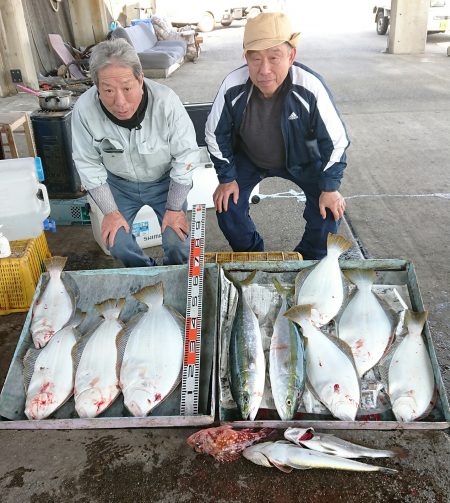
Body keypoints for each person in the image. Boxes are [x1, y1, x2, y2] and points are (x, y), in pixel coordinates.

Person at [205, 12, 350, 260]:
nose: (264, 70)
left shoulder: (311, 86)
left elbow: (336, 141)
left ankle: (306, 260)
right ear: (245, 58)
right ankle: (253, 256)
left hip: (303, 158)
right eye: (256, 59)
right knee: (226, 205)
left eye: (274, 58)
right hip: (250, 158)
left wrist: (330, 187)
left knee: (328, 210)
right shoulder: (233, 85)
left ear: (291, 56)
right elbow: (214, 133)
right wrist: (227, 178)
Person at [72, 38, 200, 267]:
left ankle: (175, 275)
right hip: (119, 184)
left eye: (127, 88)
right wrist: (110, 211)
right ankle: (147, 276)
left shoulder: (166, 102)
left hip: (165, 182)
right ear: (96, 86)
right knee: (117, 244)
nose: (119, 102)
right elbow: (87, 162)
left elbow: (186, 155)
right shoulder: (83, 109)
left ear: (140, 80)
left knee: (177, 241)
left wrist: (174, 207)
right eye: (108, 90)